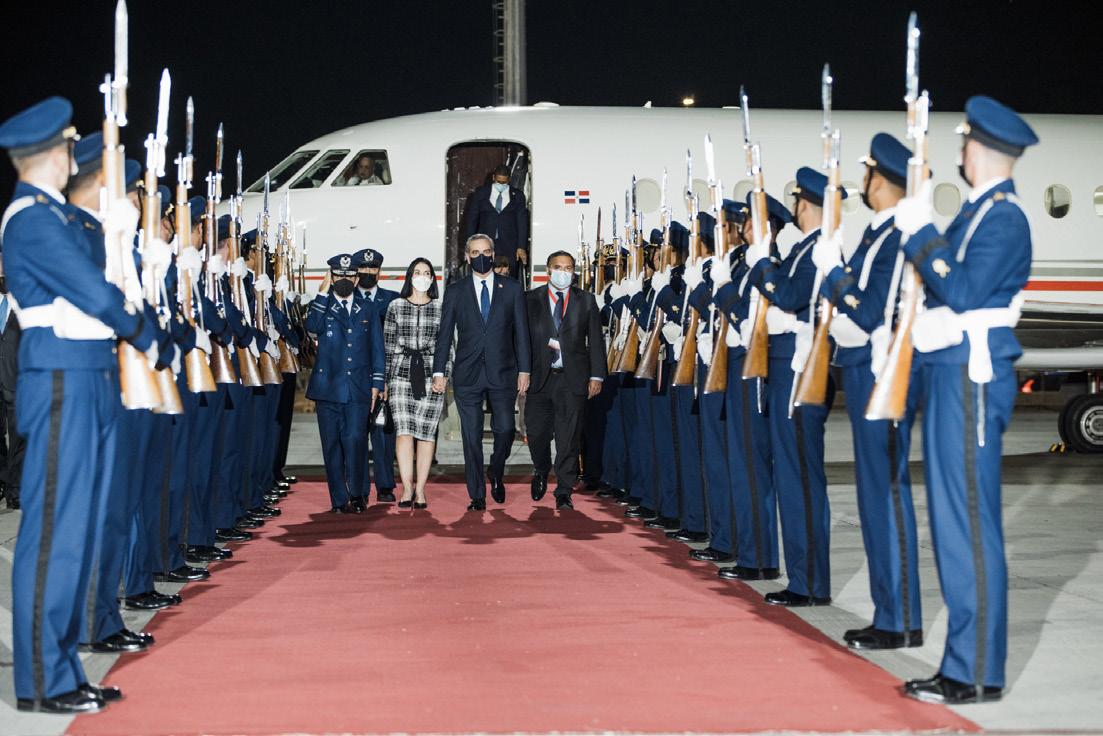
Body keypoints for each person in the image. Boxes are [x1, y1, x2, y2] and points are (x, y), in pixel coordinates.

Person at [1, 97, 158, 714]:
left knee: (83, 525)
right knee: (55, 533)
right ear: (52, 153)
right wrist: (146, 334)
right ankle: (43, 679)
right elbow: (94, 292)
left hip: (86, 374)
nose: (75, 155)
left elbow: (109, 269)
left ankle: (62, 665)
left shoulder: (59, 216)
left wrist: (124, 233)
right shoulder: (31, 218)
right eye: (70, 146)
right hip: (61, 378)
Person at [894, 96, 1037, 705]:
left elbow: (965, 290)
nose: (959, 152)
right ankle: (962, 663)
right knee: (953, 523)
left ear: (977, 150)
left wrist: (921, 233)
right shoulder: (979, 214)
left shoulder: (1004, 218)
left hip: (972, 378)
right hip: (951, 373)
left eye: (964, 143)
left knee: (969, 524)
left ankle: (976, 671)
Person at [811, 132, 924, 650]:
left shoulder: (897, 234)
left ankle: (900, 619)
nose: (863, 180)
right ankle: (890, 613)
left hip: (881, 372)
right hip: (860, 369)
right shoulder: (878, 233)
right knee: (873, 494)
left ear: (883, 180)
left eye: (869, 172)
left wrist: (834, 274)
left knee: (886, 494)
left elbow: (872, 307)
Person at [746, 166, 844, 607]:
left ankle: (810, 583)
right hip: (789, 369)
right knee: (792, 477)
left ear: (806, 205)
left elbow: (788, 296)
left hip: (801, 370)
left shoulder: (820, 249)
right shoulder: (806, 249)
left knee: (800, 479)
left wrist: (762, 261)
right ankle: (804, 579)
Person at [432, 233, 531, 511]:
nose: (481, 257)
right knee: (471, 437)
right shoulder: (456, 291)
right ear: (467, 257)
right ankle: (476, 494)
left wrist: (525, 369)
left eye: (486, 252)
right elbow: (444, 334)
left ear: (493, 253)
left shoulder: (511, 288)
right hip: (468, 374)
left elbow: (521, 333)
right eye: (475, 253)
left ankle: (496, 470)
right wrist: (439, 371)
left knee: (506, 429)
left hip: (504, 372)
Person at [523, 250, 605, 509]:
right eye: (558, 267)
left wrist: (596, 375)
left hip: (572, 379)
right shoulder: (529, 299)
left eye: (568, 268)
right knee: (537, 433)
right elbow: (520, 339)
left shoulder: (586, 300)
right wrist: (521, 371)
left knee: (568, 438)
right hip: (539, 378)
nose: (563, 272)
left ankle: (564, 490)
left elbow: (596, 340)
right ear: (548, 270)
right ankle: (540, 469)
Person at [305, 253, 383, 513]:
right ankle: (338, 499)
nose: (345, 279)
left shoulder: (367, 308)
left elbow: (377, 348)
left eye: (350, 275)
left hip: (358, 387)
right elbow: (312, 327)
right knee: (332, 446)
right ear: (331, 276)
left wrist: (377, 383)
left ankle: (358, 494)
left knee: (356, 440)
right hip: (327, 388)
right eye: (339, 275)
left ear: (357, 278)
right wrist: (322, 292)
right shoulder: (322, 305)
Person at [384, 258, 448, 508]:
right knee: (404, 432)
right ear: (410, 276)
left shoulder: (441, 308)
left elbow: (447, 346)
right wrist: (385, 381)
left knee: (426, 433)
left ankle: (420, 489)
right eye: (418, 272)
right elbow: (388, 346)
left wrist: (444, 374)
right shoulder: (396, 306)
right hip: (401, 376)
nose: (422, 276)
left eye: (427, 273)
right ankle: (407, 488)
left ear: (432, 278)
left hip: (432, 376)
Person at [353, 247, 398, 503]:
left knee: (383, 434)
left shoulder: (392, 300)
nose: (368, 272)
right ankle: (358, 490)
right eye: (363, 268)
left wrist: (387, 378)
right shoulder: (347, 299)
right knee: (356, 434)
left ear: (380, 271)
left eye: (373, 268)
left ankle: (385, 486)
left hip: (384, 377)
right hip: (356, 378)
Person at [464, 165, 529, 279]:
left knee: (509, 276)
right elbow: (472, 220)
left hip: (510, 245)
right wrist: (470, 245)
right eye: (498, 181)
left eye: (504, 182)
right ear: (493, 177)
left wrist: (521, 246)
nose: (501, 184)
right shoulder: (481, 193)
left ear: (509, 179)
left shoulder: (518, 195)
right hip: (485, 243)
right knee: (484, 273)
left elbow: (522, 222)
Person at [0, 249, 21, 510]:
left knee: (18, 437)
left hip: (17, 379)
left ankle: (16, 489)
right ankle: (2, 481)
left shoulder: (24, 303)